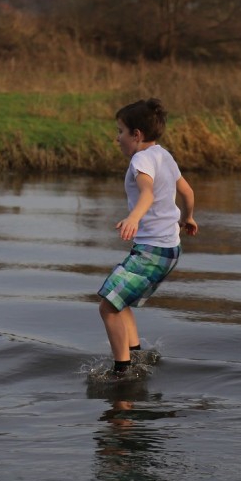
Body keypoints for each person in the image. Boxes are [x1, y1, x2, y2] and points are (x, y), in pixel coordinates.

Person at [98, 98, 197, 378]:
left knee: (108, 306)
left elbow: (147, 194)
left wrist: (133, 218)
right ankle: (136, 353)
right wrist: (188, 217)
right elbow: (187, 192)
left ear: (136, 135)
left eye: (120, 131)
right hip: (169, 249)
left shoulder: (140, 160)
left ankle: (122, 372)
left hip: (153, 251)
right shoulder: (164, 155)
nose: (117, 138)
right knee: (120, 301)